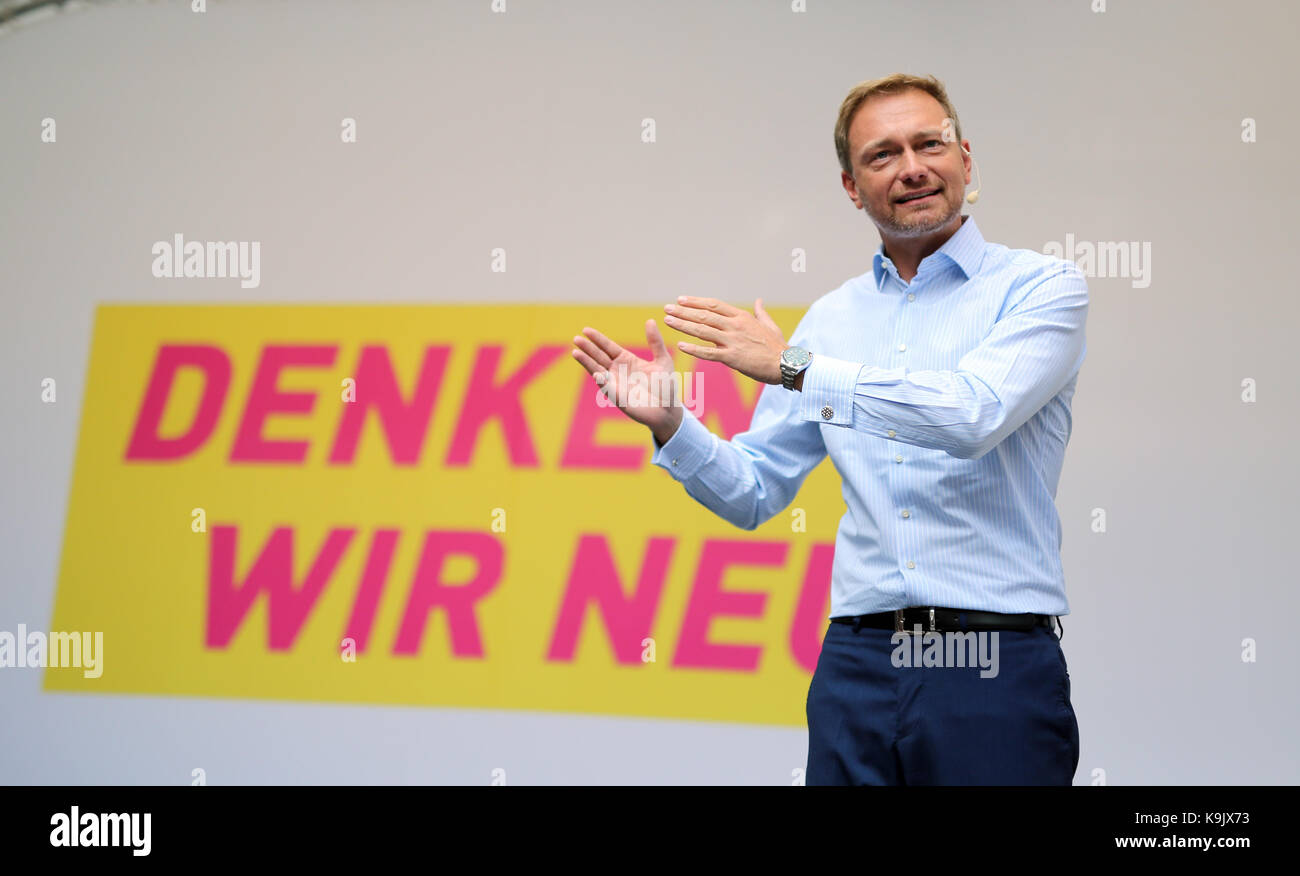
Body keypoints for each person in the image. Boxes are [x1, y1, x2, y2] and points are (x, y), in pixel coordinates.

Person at [570, 73, 1085, 785]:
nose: (911, 167)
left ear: (966, 158)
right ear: (851, 187)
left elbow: (971, 414)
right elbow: (753, 490)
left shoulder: (1041, 288)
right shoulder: (832, 320)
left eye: (928, 144)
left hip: (990, 662)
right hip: (857, 663)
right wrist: (670, 422)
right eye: (882, 155)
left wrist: (797, 366)